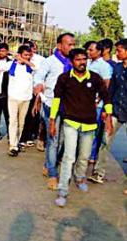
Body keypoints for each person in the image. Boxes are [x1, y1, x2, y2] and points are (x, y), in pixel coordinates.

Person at [50, 48, 113, 207]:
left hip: (90, 124)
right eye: (78, 59)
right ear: (71, 62)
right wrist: (52, 121)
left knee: (84, 156)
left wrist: (109, 118)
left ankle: (79, 177)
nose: (82, 62)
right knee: (69, 157)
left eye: (84, 59)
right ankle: (63, 191)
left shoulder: (95, 78)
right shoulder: (64, 78)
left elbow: (106, 97)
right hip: (70, 122)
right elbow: (57, 99)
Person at [33, 32, 75, 190]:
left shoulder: (74, 62)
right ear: (59, 45)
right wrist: (38, 85)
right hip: (51, 105)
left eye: (73, 44)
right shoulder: (49, 62)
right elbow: (38, 76)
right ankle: (52, 174)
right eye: (69, 44)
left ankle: (48, 163)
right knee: (53, 140)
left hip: (69, 106)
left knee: (63, 140)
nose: (72, 47)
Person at [90, 39, 127, 184]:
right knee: (105, 140)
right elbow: (110, 90)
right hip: (116, 109)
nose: (116, 53)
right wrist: (107, 108)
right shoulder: (116, 68)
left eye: (119, 50)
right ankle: (98, 173)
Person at [0, 45, 36, 156]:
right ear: (20, 54)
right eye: (25, 55)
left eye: (29, 55)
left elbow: (35, 67)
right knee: (13, 121)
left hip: (26, 98)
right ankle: (13, 145)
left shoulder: (31, 65)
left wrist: (23, 60)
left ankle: (17, 140)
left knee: (21, 122)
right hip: (13, 97)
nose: (27, 57)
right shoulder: (12, 64)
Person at [85, 40, 113, 164]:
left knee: (94, 131)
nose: (88, 52)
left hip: (96, 104)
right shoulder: (88, 63)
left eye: (91, 50)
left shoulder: (104, 66)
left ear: (99, 51)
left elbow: (105, 84)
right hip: (84, 101)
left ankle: (91, 155)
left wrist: (98, 99)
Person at [20, 41, 45, 148]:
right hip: (22, 90)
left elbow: (40, 73)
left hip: (34, 90)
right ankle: (21, 136)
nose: (30, 50)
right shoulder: (18, 59)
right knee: (21, 114)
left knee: (32, 115)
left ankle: (29, 136)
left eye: (32, 48)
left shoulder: (41, 60)